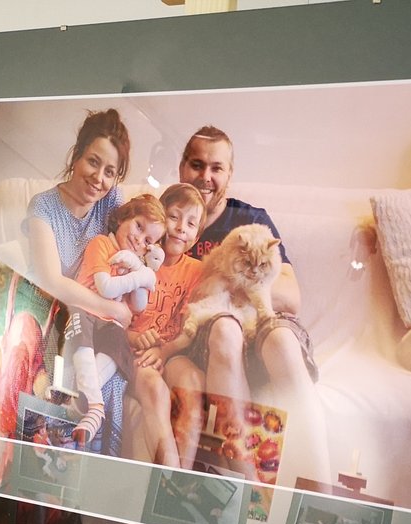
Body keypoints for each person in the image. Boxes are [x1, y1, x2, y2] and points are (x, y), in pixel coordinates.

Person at [170, 127, 329, 481]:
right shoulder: (170, 216)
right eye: (197, 165)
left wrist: (234, 283)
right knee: (226, 331)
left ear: (229, 174)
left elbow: (291, 296)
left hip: (260, 322)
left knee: (282, 341)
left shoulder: (251, 220)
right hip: (212, 332)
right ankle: (250, 488)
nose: (206, 177)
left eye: (216, 168)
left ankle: (320, 497)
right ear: (181, 167)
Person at [0, 108, 135, 451]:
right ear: (76, 155)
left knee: (110, 377)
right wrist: (112, 308)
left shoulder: (112, 203)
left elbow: (132, 249)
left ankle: (83, 463)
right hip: (54, 314)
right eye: (93, 162)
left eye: (110, 172)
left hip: (90, 325)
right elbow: (51, 280)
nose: (99, 178)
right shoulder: (44, 206)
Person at [70, 193, 166, 445]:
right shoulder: (101, 244)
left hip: (109, 324)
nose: (139, 239)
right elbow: (106, 288)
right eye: (138, 226)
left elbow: (139, 305)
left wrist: (143, 269)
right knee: (80, 326)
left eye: (148, 241)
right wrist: (140, 277)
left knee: (121, 345)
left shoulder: (134, 262)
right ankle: (95, 406)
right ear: (124, 218)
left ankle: (83, 398)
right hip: (85, 311)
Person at [124, 183, 207, 466]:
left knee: (192, 381)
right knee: (155, 388)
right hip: (134, 352)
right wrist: (135, 338)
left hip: (171, 352)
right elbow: (112, 318)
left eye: (191, 223)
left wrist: (164, 351)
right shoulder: (136, 259)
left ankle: (181, 479)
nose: (181, 227)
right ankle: (167, 475)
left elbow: (188, 330)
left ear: (196, 237)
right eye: (174, 216)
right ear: (160, 218)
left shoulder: (196, 271)